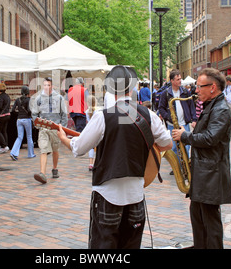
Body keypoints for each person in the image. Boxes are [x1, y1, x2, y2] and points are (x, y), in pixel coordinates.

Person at [57, 65, 172, 249]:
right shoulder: (147, 114)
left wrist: (64, 138)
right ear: (131, 87)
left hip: (107, 195)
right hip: (136, 193)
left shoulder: (103, 116)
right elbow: (167, 143)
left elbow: (78, 148)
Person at [172, 68, 231, 249]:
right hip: (204, 173)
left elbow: (210, 138)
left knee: (210, 221)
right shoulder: (212, 105)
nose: (196, 90)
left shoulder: (221, 109)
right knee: (198, 217)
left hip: (211, 175)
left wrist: (185, 136)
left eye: (199, 87)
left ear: (213, 87)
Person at [31, 77, 67, 184]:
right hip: (43, 128)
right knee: (44, 150)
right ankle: (42, 173)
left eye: (49, 85)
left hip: (55, 129)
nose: (46, 87)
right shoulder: (39, 99)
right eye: (45, 85)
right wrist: (37, 124)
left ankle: (54, 168)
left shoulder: (59, 98)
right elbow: (34, 114)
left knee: (55, 150)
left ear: (52, 86)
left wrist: (62, 128)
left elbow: (64, 114)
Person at [158, 69, 197, 169]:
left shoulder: (185, 92)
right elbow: (161, 108)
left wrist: (194, 119)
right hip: (172, 124)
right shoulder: (165, 93)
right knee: (175, 147)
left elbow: (191, 105)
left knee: (187, 146)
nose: (180, 81)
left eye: (180, 79)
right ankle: (177, 168)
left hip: (184, 124)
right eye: (178, 79)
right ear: (172, 81)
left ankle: (186, 167)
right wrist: (168, 117)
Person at [10, 86, 35, 161]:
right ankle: (31, 154)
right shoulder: (28, 100)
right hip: (27, 119)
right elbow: (29, 110)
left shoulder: (17, 100)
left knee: (19, 137)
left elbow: (13, 110)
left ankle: (13, 152)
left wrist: (19, 113)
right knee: (29, 136)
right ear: (27, 92)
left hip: (19, 119)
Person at [0, 83, 11, 154]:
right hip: (8, 115)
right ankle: (5, 146)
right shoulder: (7, 96)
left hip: (1, 115)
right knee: (4, 131)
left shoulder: (0, 97)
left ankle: (4, 146)